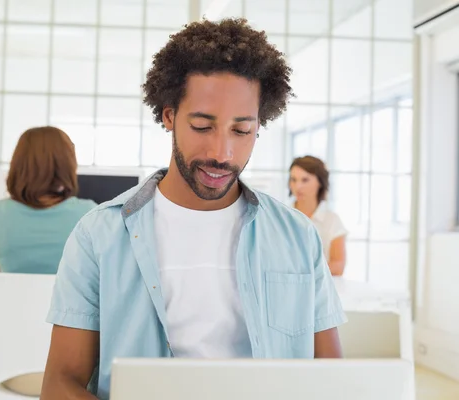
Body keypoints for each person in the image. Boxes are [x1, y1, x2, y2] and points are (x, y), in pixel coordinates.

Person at [41, 18, 347, 400]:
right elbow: (59, 384)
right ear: (169, 115)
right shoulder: (98, 236)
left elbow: (333, 379)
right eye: (203, 126)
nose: (222, 153)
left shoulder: (299, 236)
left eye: (241, 130)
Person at [0, 126, 96, 275]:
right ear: (67, 165)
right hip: (69, 299)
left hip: (12, 298)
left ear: (18, 164)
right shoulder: (90, 215)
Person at [289, 156, 347, 276]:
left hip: (321, 290)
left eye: (305, 180)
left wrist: (299, 272)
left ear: (320, 182)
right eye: (293, 180)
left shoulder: (332, 220)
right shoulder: (280, 216)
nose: (297, 186)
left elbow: (338, 266)